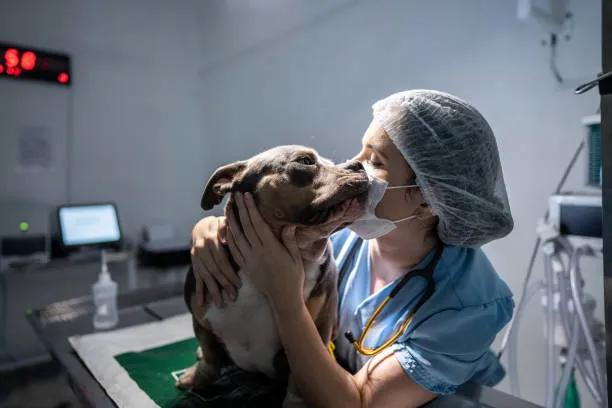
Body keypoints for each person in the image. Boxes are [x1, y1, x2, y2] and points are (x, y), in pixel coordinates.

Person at [189, 89, 515, 408]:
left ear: (430, 198)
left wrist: (284, 296)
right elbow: (278, 222)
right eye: (360, 151)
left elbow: (358, 402)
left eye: (376, 161)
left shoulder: (468, 309)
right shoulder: (343, 238)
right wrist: (212, 231)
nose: (353, 167)